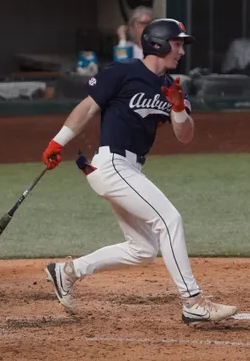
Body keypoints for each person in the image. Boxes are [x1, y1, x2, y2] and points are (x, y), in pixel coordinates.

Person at [42, 18, 238, 325]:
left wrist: (178, 108)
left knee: (143, 248)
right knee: (169, 220)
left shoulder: (170, 88)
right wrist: (58, 141)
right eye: (177, 44)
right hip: (112, 165)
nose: (181, 51)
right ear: (158, 44)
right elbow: (87, 107)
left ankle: (67, 272)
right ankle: (193, 302)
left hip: (129, 168)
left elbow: (184, 135)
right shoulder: (123, 72)